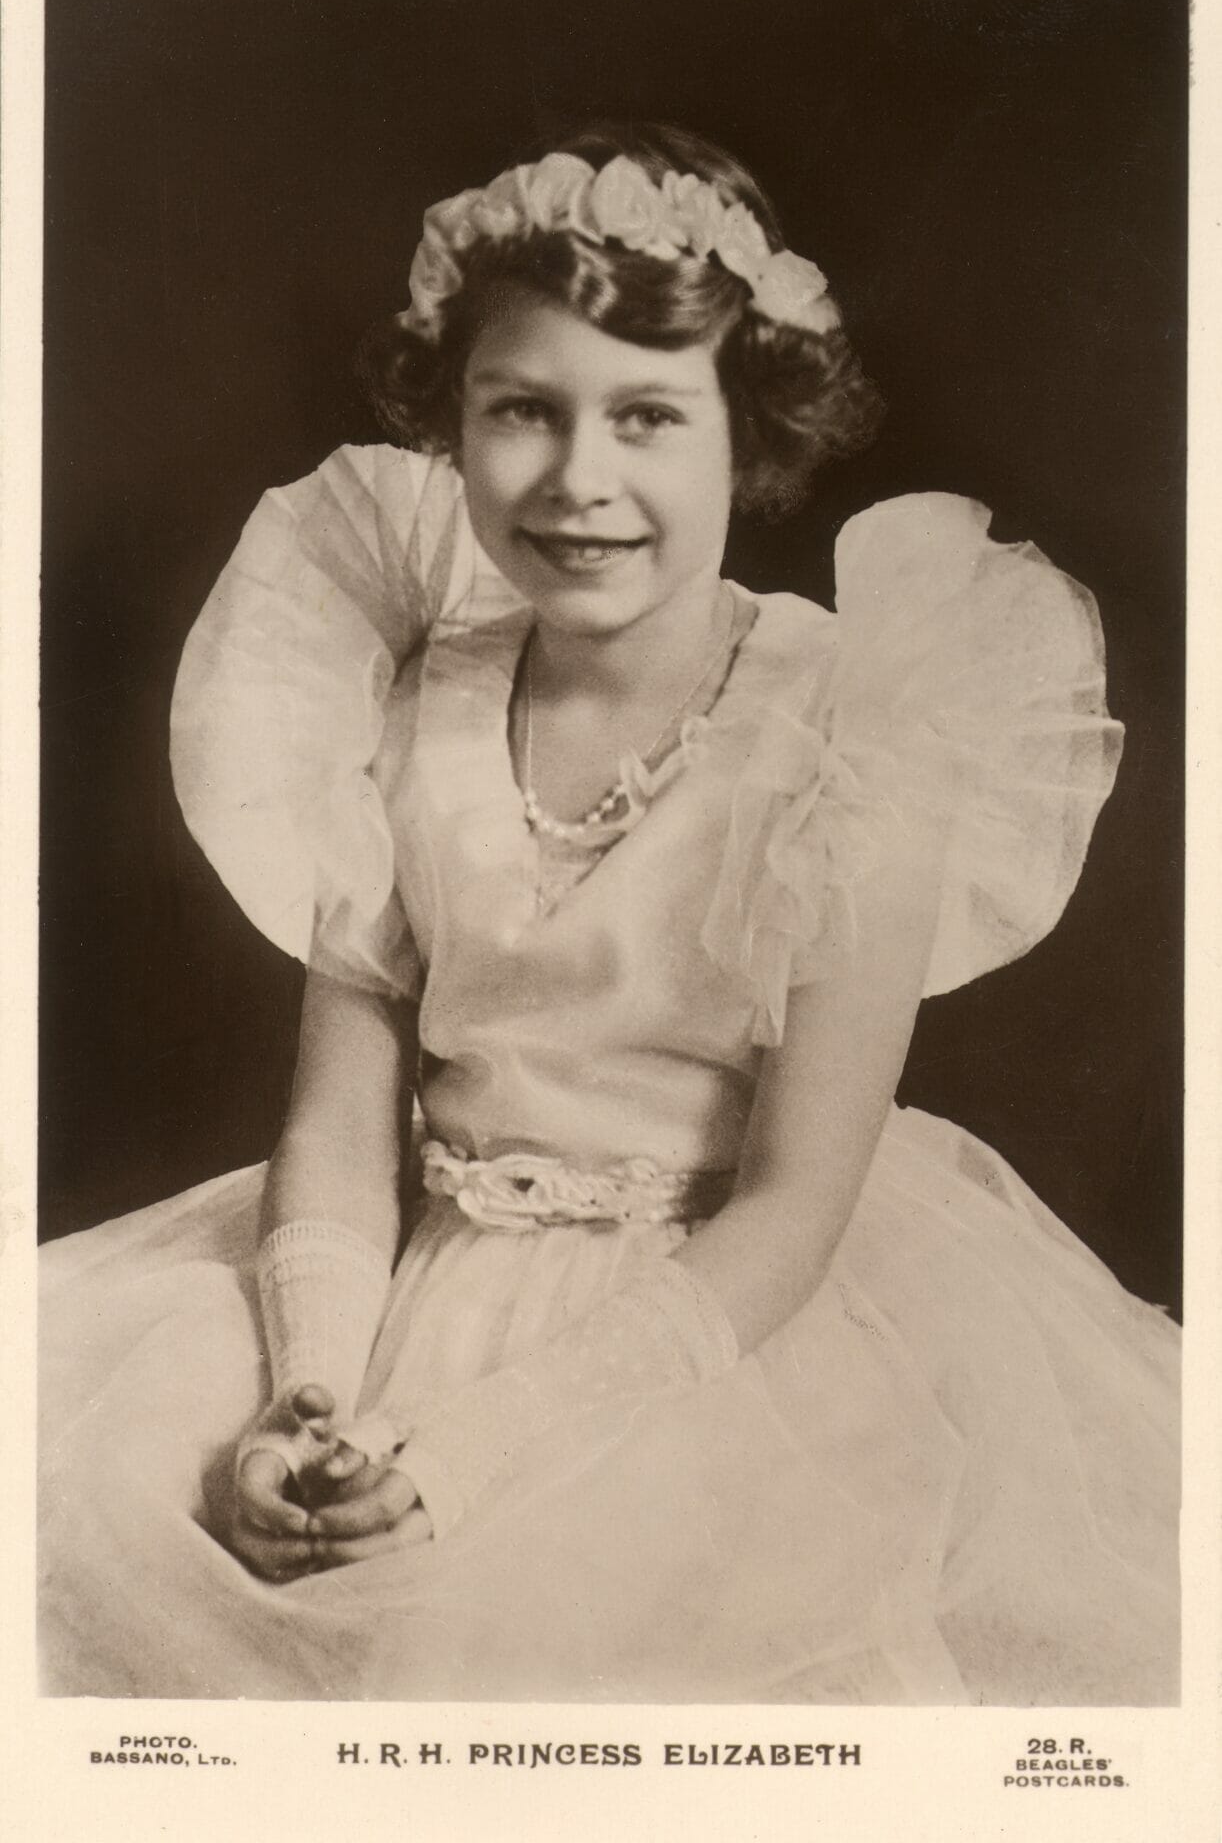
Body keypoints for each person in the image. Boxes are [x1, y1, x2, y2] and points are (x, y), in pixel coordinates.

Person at [38, 124, 1179, 1705]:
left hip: (719, 1322)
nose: (579, 479)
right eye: (521, 410)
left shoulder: (857, 728)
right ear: (452, 425)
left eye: (647, 416)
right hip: (406, 1281)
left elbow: (791, 1211)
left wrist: (471, 1451)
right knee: (93, 1501)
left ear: (745, 433)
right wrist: (314, 1396)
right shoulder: (399, 700)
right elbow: (339, 1128)